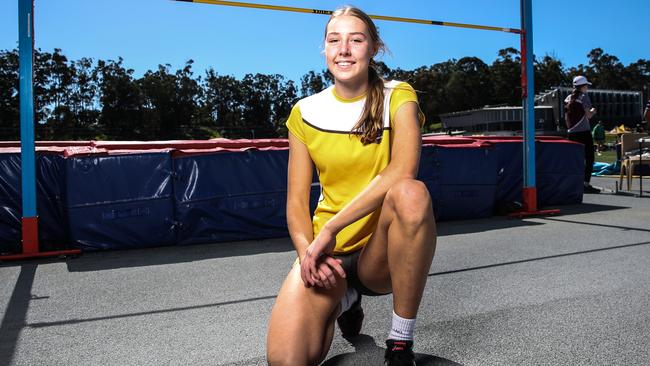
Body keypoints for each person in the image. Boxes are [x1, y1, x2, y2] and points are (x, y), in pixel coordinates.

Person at [266, 6, 437, 366]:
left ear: (374, 48)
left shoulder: (398, 95)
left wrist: (331, 227)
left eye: (356, 40)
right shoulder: (305, 112)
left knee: (412, 193)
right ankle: (344, 298)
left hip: (381, 253)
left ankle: (400, 343)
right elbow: (296, 203)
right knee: (286, 361)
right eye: (334, 40)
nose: (344, 49)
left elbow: (403, 169)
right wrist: (306, 252)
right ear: (325, 50)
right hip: (331, 254)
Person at [564, 75, 599, 193]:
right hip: (583, 131)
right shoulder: (584, 97)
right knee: (589, 158)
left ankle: (572, 183)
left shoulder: (568, 98)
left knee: (574, 159)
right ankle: (585, 184)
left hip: (571, 132)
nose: (587, 88)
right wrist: (593, 111)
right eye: (586, 86)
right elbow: (588, 115)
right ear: (583, 86)